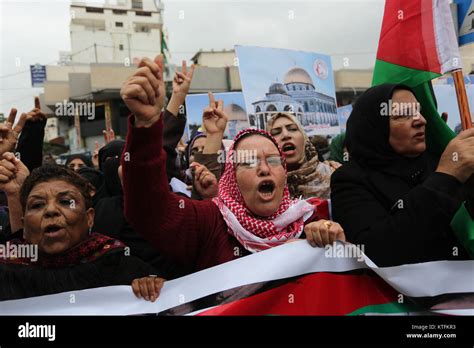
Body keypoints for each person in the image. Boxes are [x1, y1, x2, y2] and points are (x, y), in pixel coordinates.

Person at [119, 54, 345, 274]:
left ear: (284, 174)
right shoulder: (209, 221)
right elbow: (148, 210)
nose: (264, 169)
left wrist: (331, 236)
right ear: (232, 177)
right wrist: (147, 126)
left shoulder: (307, 220)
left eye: (273, 160)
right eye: (249, 162)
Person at [330, 84, 474, 266]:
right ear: (375, 125)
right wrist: (445, 177)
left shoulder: (440, 161)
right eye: (404, 114)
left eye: (419, 111)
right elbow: (377, 250)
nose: (421, 120)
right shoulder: (349, 179)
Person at [0, 161, 163, 301]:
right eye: (37, 205)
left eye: (65, 202)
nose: (50, 210)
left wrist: (152, 288)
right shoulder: (7, 269)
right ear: (24, 224)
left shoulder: (121, 266)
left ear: (89, 217)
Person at [267, 112, 340, 199]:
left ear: (304, 138)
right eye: (276, 133)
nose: (286, 135)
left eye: (293, 129)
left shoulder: (336, 174)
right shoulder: (264, 186)